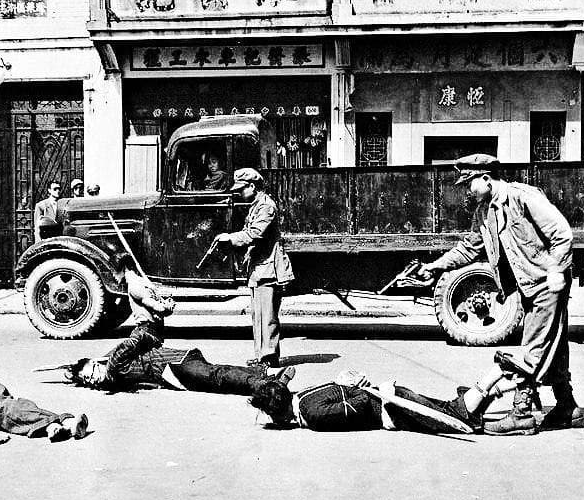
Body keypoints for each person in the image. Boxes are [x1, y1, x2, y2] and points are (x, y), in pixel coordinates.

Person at [415, 154, 581, 435]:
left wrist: (555, 270)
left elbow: (561, 233)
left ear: (486, 178)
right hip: (524, 288)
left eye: (469, 183)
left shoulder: (522, 196)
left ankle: (522, 412)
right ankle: (567, 406)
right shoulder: (483, 211)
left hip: (545, 284)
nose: (467, 189)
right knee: (553, 348)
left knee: (531, 349)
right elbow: (470, 247)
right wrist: (435, 266)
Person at [250, 360, 523, 435]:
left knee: (457, 416)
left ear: (282, 412)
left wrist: (362, 387)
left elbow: (357, 406)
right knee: (449, 409)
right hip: (393, 398)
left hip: (393, 408)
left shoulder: (313, 414)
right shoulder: (304, 396)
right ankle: (508, 386)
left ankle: (497, 371)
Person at [212, 168, 294, 368]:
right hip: (259, 268)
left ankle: (268, 357)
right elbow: (249, 231)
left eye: (241, 189)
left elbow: (255, 233)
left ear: (252, 186)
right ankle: (262, 357)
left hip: (269, 270)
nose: (239, 193)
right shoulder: (256, 205)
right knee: (258, 315)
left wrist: (230, 238)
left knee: (267, 317)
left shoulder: (266, 206)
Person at [63, 340, 295, 396]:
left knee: (216, 377)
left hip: (176, 364)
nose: (93, 380)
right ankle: (264, 375)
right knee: (217, 379)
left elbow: (136, 338)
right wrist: (73, 373)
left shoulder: (113, 364)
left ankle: (265, 385)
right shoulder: (111, 369)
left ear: (96, 363)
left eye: (91, 373)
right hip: (175, 369)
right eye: (88, 381)